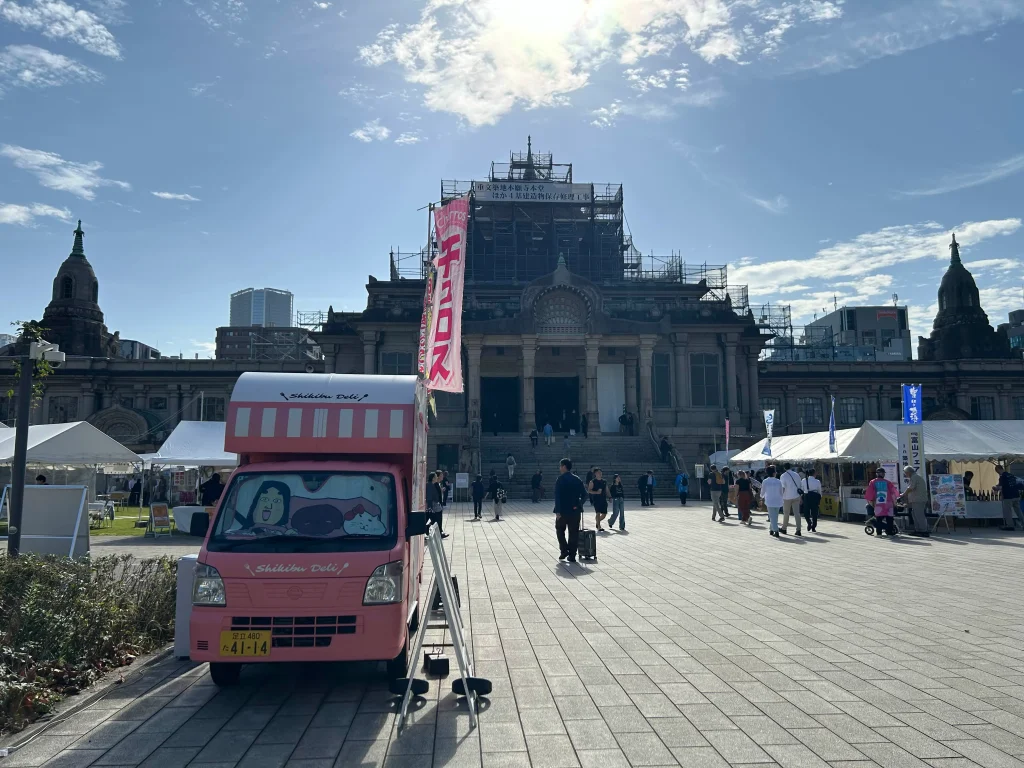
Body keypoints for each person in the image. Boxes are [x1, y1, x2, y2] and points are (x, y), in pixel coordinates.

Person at [554, 458, 587, 562]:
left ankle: (564, 550)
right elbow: (585, 495)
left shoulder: (560, 479)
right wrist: (579, 504)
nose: (560, 468)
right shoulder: (577, 479)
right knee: (574, 533)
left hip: (563, 511)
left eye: (560, 466)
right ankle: (572, 555)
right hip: (575, 511)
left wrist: (558, 511)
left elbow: (557, 497)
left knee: (560, 530)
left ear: (564, 466)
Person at [864, 467, 898, 537]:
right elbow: (893, 493)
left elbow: (870, 493)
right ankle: (890, 533)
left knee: (878, 518)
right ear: (883, 474)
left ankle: (879, 533)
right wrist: (895, 503)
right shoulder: (888, 482)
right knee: (889, 518)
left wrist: (871, 502)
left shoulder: (873, 482)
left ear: (877, 474)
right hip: (888, 503)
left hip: (878, 503)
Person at [898, 466, 929, 536]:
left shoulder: (914, 477)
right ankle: (918, 530)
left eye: (905, 473)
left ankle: (924, 531)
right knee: (914, 514)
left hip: (918, 500)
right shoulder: (915, 477)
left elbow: (910, 488)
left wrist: (903, 494)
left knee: (919, 515)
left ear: (908, 472)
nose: (905, 474)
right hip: (916, 500)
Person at [994, 465, 1022, 531]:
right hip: (1016, 495)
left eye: (997, 471)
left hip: (1008, 496)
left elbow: (1000, 487)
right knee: (1018, 511)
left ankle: (1010, 526)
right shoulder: (1011, 475)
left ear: (998, 469)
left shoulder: (1002, 477)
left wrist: (995, 488)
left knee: (1008, 512)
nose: (997, 472)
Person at [779, 462, 802, 536]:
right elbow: (800, 485)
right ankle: (798, 530)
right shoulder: (796, 474)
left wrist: (780, 496)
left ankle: (784, 528)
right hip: (796, 496)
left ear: (784, 468)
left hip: (787, 497)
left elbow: (783, 488)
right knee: (797, 513)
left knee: (786, 513)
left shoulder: (783, 476)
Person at [761, 466, 784, 537]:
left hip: (769, 501)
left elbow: (763, 492)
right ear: (774, 473)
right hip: (778, 500)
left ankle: (775, 530)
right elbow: (781, 492)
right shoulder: (779, 481)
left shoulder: (765, 481)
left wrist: (761, 497)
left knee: (772, 516)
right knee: (775, 516)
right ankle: (772, 529)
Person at [425, 472, 448, 538]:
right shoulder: (430, 485)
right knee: (435, 519)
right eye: (435, 477)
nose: (437, 478)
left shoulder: (432, 484)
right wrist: (430, 507)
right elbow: (430, 497)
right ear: (433, 478)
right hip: (432, 505)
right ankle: (427, 528)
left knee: (434, 519)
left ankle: (429, 529)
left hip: (434, 504)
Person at [800, 469, 822, 533]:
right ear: (814, 473)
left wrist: (801, 498)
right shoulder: (817, 481)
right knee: (814, 512)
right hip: (815, 496)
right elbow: (819, 491)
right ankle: (814, 527)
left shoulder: (804, 480)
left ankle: (809, 522)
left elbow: (801, 490)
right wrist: (819, 499)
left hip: (806, 496)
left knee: (806, 511)